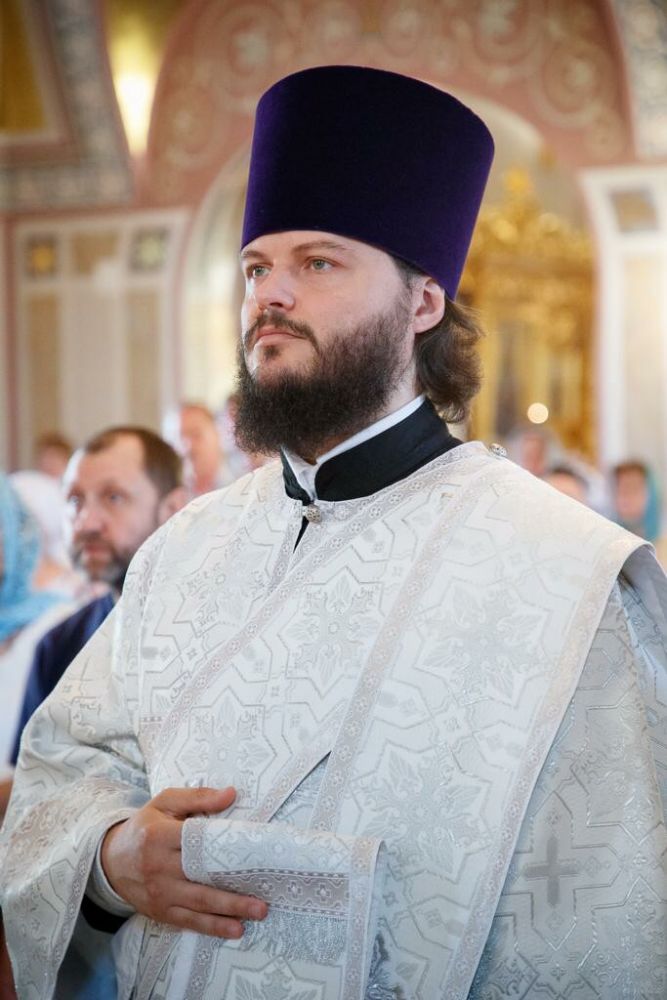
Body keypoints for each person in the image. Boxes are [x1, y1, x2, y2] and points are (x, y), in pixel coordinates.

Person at [1, 66, 666, 1000]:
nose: (269, 296)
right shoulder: (184, 551)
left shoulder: (566, 572)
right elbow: (64, 768)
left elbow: (602, 920)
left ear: (423, 304)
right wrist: (111, 860)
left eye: (316, 263)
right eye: (255, 268)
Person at [4, 425, 186, 793]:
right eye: (74, 500)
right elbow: (33, 784)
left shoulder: (211, 625)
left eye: (113, 497)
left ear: (173, 509)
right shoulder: (58, 645)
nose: (86, 522)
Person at [165, 401, 232, 497]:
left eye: (196, 435)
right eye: (182, 437)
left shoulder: (240, 485)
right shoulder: (174, 491)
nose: (188, 446)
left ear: (216, 433)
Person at [611, 458, 667, 567]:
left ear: (650, 494)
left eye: (635, 488)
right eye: (622, 488)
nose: (627, 495)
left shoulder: (664, 548)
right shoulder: (608, 544)